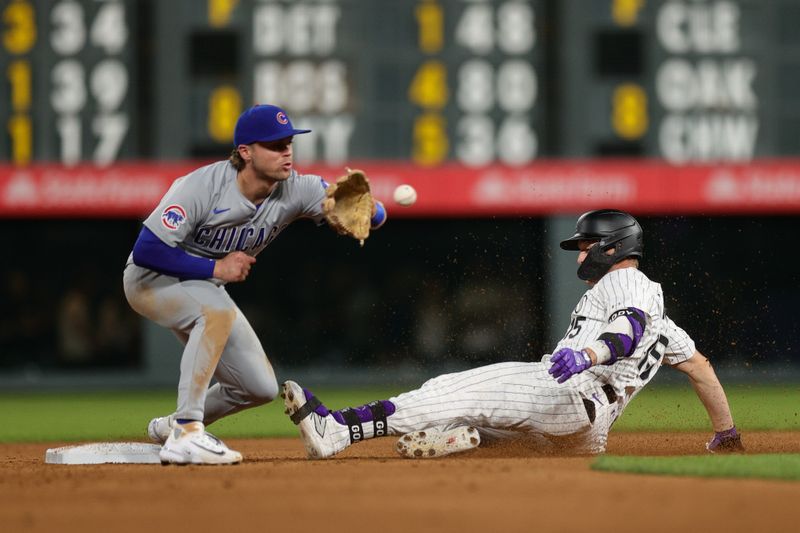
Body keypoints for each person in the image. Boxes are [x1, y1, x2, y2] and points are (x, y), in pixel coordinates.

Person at [282, 209, 743, 459]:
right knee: (481, 424)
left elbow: (625, 331)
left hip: (565, 393)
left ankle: (337, 430)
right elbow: (700, 369)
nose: (579, 257)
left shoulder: (626, 281)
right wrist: (726, 433)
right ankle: (463, 438)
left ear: (612, 248)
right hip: (588, 434)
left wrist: (588, 355)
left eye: (585, 248)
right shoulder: (666, 322)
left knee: (451, 390)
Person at [123, 104, 387, 465]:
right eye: (275, 145)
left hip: (204, 285)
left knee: (258, 387)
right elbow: (147, 251)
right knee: (215, 312)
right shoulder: (201, 186)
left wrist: (369, 210)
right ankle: (186, 432)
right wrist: (216, 267)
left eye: (289, 143)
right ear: (246, 152)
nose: (287, 151)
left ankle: (171, 425)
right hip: (151, 280)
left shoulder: (298, 189)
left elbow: (377, 213)